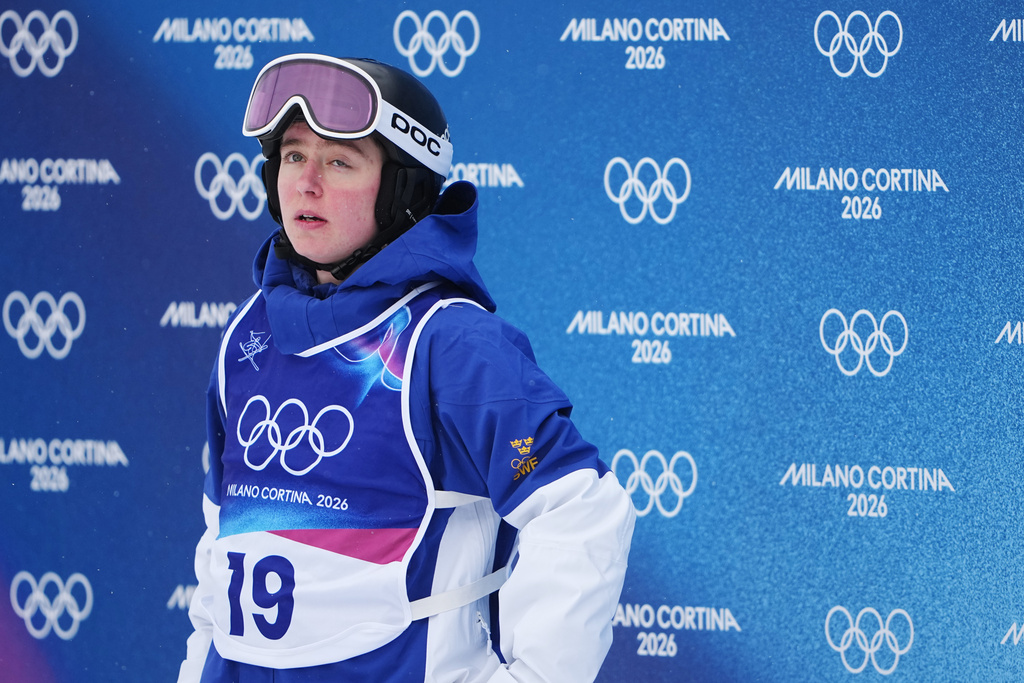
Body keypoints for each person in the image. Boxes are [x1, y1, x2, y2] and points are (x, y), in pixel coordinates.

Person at [178, 53, 635, 683]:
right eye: (293, 155)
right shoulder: (249, 335)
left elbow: (581, 508)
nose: (306, 183)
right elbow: (220, 547)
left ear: (402, 191)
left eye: (339, 162)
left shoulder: (449, 342)